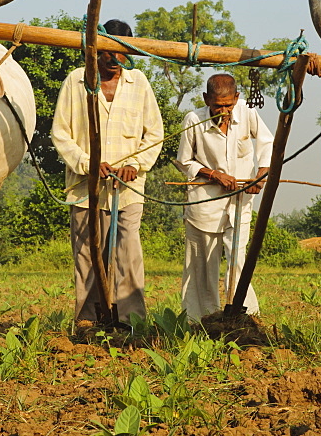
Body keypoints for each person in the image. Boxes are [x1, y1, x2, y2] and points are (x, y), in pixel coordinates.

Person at [51, 19, 164, 323]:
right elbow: (60, 133)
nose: (114, 60)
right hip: (84, 188)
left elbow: (154, 134)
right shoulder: (76, 80)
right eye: (107, 53)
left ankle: (132, 321)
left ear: (129, 53)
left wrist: (135, 165)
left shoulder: (138, 82)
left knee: (128, 252)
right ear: (96, 51)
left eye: (121, 53)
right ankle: (88, 320)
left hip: (128, 189)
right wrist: (89, 164)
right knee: (87, 255)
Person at [175, 72, 273, 320]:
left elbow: (267, 143)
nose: (224, 111)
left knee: (238, 260)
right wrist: (214, 175)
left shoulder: (247, 112)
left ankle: (245, 317)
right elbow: (184, 161)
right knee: (202, 266)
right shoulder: (193, 120)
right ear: (207, 99)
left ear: (237, 98)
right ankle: (201, 319)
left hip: (240, 201)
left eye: (228, 105)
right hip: (204, 202)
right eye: (218, 105)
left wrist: (260, 175)